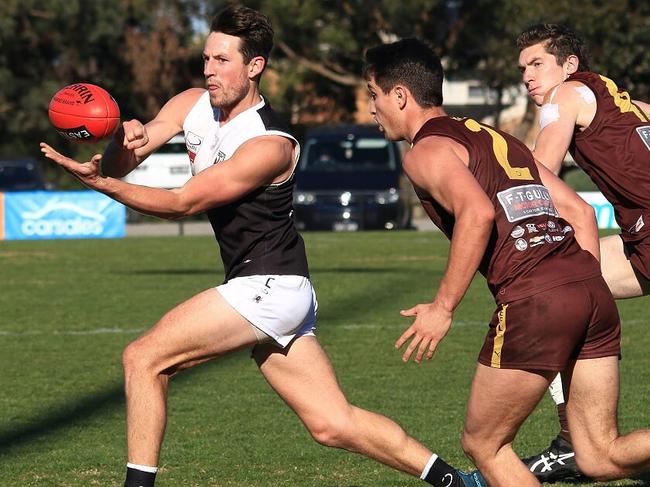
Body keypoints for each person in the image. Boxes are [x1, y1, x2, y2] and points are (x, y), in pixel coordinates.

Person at [40, 7, 486, 487]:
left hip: (268, 286)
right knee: (333, 424)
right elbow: (131, 156)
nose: (209, 69)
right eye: (206, 57)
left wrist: (102, 183)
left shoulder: (270, 144)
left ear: (255, 67)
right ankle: (455, 482)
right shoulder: (192, 102)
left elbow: (180, 203)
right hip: (274, 288)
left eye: (223, 60)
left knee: (144, 358)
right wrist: (121, 142)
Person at [364, 37, 650, 487]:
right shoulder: (498, 138)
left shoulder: (425, 151)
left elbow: (476, 213)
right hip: (591, 292)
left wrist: (442, 307)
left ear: (400, 95)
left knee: (485, 446)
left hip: (534, 300)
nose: (371, 110)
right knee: (598, 456)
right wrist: (583, 289)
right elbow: (578, 211)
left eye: (373, 96)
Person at [517, 23, 650, 482]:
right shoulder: (617, 98)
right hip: (642, 242)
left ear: (569, 65)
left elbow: (539, 175)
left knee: (553, 297)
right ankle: (572, 442)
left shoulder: (565, 96)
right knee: (560, 299)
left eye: (537, 64)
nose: (528, 77)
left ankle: (575, 444)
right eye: (523, 68)